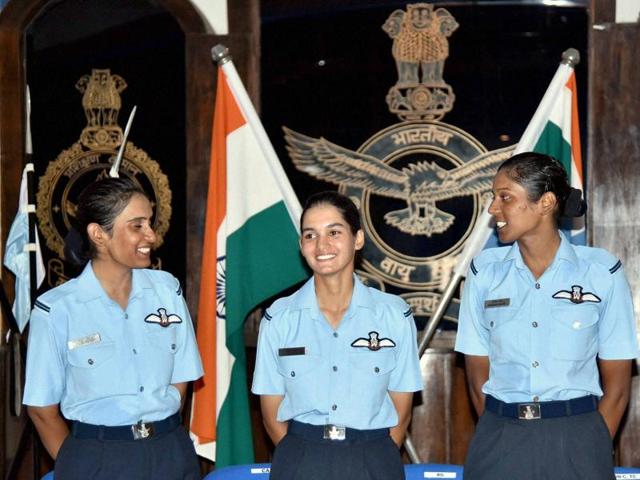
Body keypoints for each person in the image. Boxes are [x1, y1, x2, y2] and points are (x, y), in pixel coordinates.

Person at [455, 152, 638, 480]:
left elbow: (619, 383)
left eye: (505, 197)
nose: (493, 209)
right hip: (499, 438)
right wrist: (503, 431)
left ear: (546, 202)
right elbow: (475, 375)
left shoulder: (601, 273)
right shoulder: (484, 273)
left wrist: (590, 443)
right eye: (494, 197)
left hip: (577, 438)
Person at [23, 178, 203, 480]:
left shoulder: (167, 291)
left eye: (149, 222)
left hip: (170, 450)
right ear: (98, 234)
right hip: (97, 457)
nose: (152, 235)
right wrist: (79, 465)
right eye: (137, 226)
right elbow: (42, 410)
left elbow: (180, 380)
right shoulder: (56, 310)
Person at [252, 191, 422, 480]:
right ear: (301, 245)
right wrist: (304, 457)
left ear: (357, 239)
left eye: (334, 232)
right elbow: (271, 414)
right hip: (301, 459)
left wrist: (370, 457)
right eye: (310, 235)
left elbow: (401, 412)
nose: (322, 245)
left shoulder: (394, 316)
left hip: (373, 458)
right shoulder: (278, 319)